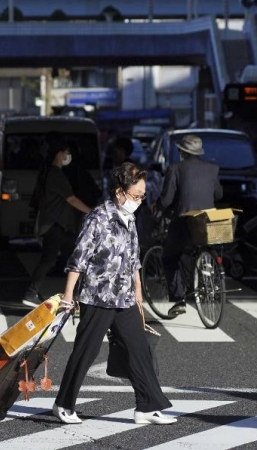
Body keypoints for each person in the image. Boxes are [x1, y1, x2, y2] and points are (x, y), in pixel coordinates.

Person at [53, 162, 175, 426]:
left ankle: (147, 406)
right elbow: (78, 260)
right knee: (86, 351)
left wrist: (138, 292)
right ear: (120, 192)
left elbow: (134, 259)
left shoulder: (129, 219)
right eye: (136, 195)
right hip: (97, 297)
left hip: (124, 298)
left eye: (143, 196)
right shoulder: (98, 218)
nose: (140, 201)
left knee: (139, 348)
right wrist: (67, 295)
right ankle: (63, 404)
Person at [22, 132, 93, 308]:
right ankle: (31, 293)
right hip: (53, 224)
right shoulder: (56, 175)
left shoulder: (53, 173)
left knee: (70, 256)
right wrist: (91, 211)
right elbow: (72, 199)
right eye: (66, 152)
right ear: (58, 154)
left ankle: (71, 295)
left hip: (56, 224)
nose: (68, 155)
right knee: (52, 259)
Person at [156, 135, 223, 317]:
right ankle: (208, 270)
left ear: (182, 152)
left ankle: (179, 300)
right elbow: (218, 194)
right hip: (208, 221)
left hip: (185, 221)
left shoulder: (175, 168)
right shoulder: (212, 169)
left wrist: (158, 207)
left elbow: (167, 199)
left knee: (170, 257)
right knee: (202, 246)